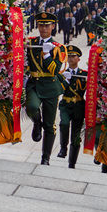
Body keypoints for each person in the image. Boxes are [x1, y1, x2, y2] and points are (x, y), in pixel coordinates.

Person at [25, 12, 67, 165]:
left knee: (49, 125)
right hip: (34, 84)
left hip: (50, 87)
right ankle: (36, 122)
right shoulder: (30, 42)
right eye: (41, 25)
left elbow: (55, 70)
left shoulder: (58, 48)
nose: (43, 28)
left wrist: (47, 54)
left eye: (47, 25)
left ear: (53, 26)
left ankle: (45, 157)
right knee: (31, 106)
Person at [57, 45, 87, 168]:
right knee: (63, 124)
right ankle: (63, 148)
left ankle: (72, 162)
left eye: (73, 56)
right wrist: (66, 80)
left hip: (79, 106)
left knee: (75, 136)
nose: (70, 58)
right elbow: (58, 90)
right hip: (66, 104)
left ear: (78, 59)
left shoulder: (84, 74)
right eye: (68, 56)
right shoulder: (62, 73)